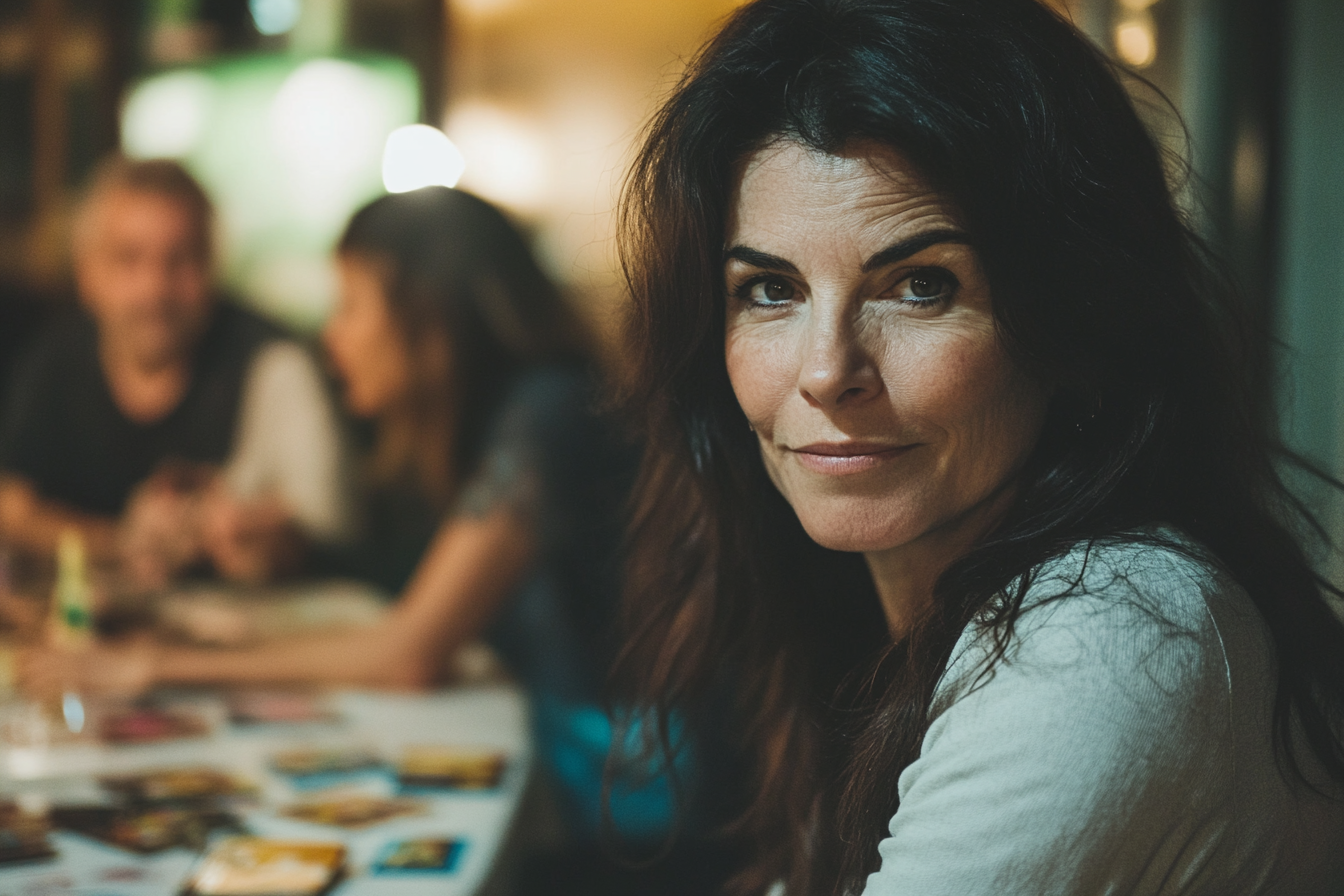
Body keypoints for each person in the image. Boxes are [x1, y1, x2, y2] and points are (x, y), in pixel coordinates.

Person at [612, 1, 1344, 894]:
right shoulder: (883, 617)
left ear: (1075, 316)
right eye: (769, 289)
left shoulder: (1108, 639)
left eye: (921, 285)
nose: (828, 370)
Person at [20, 186, 669, 851]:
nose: (332, 336)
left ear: (427, 313)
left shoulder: (545, 414)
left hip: (644, 819)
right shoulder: (492, 420)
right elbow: (406, 580)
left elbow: (408, 652)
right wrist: (284, 552)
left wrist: (154, 665)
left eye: (351, 306)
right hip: (584, 790)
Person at [0, 156, 353, 588]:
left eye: (180, 260)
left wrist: (264, 540)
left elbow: (332, 533)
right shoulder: (54, 360)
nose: (155, 288)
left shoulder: (274, 363)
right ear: (88, 274)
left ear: (213, 267)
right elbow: (12, 510)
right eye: (129, 260)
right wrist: (124, 541)